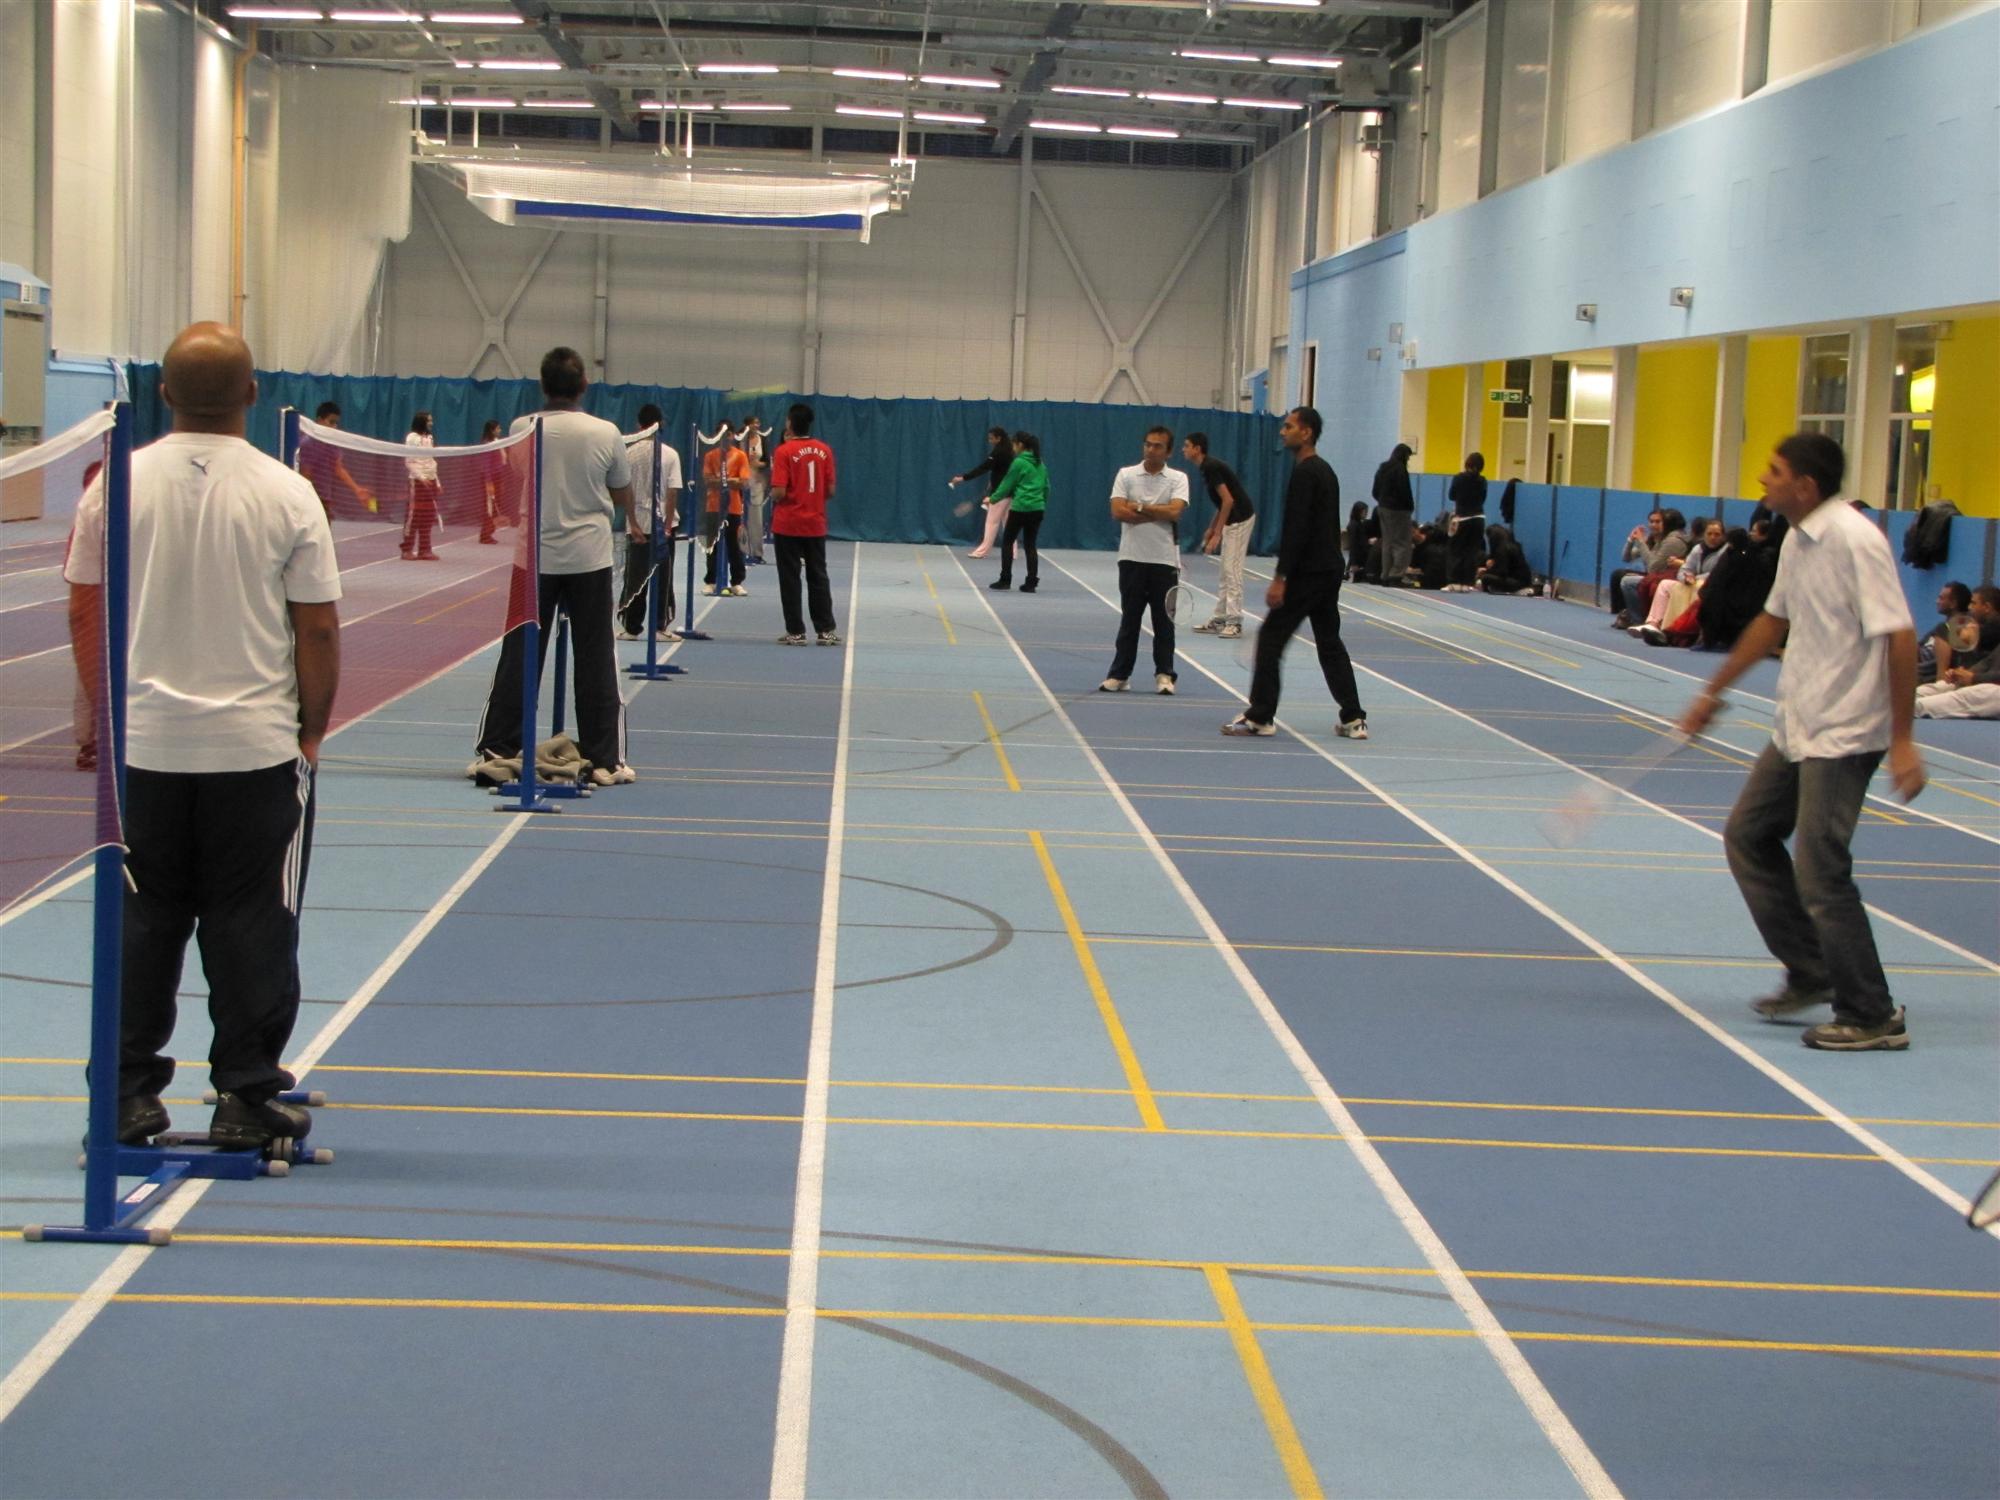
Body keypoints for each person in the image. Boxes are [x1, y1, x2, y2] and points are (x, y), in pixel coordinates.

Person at [63, 322, 341, 1147]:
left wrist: (109, 716)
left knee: (142, 922)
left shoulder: (112, 485)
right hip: (254, 751)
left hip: (143, 753)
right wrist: (313, 732)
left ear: (163, 392)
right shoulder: (289, 493)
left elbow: (84, 607)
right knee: (254, 921)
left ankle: (124, 1098)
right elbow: (317, 629)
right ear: (253, 395)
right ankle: (246, 1099)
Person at [1677, 433, 1922, 1052]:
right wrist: (1715, 691)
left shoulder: (1855, 540)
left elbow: (1898, 635)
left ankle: (1871, 1013)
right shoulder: (1796, 537)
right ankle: (1811, 970)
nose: (1763, 478)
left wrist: (1903, 739)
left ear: (1805, 487)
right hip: (1798, 725)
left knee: (1820, 869)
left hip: (1847, 732)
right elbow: (1772, 620)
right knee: (1750, 835)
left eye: (1774, 470)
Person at [472, 346, 636, 787]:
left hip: (533, 560)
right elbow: (622, 492)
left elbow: (516, 478)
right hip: (589, 558)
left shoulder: (521, 428)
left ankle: (498, 747)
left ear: (542, 385)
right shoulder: (606, 432)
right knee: (596, 655)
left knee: (519, 655)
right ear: (583, 385)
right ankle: (605, 759)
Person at [1222, 407, 1367, 740]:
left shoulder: (1306, 473)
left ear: (1307, 433)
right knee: (1329, 643)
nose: (1282, 431)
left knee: (1271, 638)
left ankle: (1260, 716)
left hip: (1309, 573)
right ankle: (1354, 718)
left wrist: (1280, 578)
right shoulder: (1326, 471)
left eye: (1289, 427)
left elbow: (1297, 529)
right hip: (1330, 570)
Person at [1100, 425, 1189, 695]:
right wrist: (1156, 512)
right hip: (1131, 559)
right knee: (1130, 620)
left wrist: (1138, 506)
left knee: (1164, 622)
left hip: (1165, 561)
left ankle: (1164, 675)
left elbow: (1175, 512)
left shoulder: (1178, 478)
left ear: (1169, 451)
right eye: (1148, 444)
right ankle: (1119, 675)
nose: (1151, 449)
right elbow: (1118, 511)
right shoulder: (1126, 474)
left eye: (1158, 446)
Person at [769, 402, 841, 646]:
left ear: (790, 423)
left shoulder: (784, 451)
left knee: (790, 578)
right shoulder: (825, 450)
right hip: (815, 523)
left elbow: (778, 491)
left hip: (788, 524)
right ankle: (825, 630)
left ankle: (796, 632)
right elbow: (830, 490)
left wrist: (776, 494)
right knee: (818, 576)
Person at [618, 403, 683, 641]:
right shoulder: (671, 454)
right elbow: (673, 492)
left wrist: (632, 523)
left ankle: (632, 627)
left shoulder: (628, 453)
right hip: (661, 528)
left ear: (639, 426)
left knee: (635, 578)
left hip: (637, 526)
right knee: (663, 577)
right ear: (660, 425)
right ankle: (660, 627)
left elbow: (624, 490)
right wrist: (667, 526)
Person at [1184, 431, 1256, 637]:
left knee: (1232, 570)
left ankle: (1235, 621)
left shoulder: (1210, 467)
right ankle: (1220, 618)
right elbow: (1222, 502)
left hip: (1241, 519)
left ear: (1197, 449)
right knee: (1225, 571)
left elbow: (1229, 500)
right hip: (1231, 520)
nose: (1184, 449)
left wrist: (1217, 534)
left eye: (1187, 445)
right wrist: (1212, 526)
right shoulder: (1207, 468)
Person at [1632, 517, 1728, 643]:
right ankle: (1653, 624)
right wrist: (1685, 577)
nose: (1713, 537)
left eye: (1717, 534)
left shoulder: (1725, 552)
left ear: (1722, 536)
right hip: (1691, 582)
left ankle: (1680, 631)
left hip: (1710, 586)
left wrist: (1695, 578)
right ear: (1704, 535)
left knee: (1698, 587)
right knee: (1665, 584)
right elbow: (1684, 568)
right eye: (1709, 534)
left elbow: (1716, 573)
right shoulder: (1698, 549)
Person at [988, 430, 1048, 594]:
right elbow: (1046, 487)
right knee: (1030, 545)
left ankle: (1005, 580)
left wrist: (992, 499)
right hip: (1037, 509)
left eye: (1014, 444)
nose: (1013, 448)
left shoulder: (1019, 463)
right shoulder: (1040, 464)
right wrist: (1041, 503)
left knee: (1007, 542)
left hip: (1020, 508)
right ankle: (1031, 583)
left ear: (1020, 445)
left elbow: (1007, 484)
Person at [1608, 508, 1688, 624]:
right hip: (1655, 574)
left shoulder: (1672, 541)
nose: (1654, 525)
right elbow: (1626, 557)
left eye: (1658, 522)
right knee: (1618, 575)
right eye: (1651, 522)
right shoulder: (1653, 539)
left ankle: (1637, 619)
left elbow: (1653, 567)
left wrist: (1641, 543)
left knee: (1628, 581)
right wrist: (1631, 540)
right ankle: (1626, 612)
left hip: (1663, 575)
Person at [299, 400, 375, 515]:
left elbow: (338, 467)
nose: (334, 426)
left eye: (336, 423)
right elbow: (305, 475)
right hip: (310, 499)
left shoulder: (332, 443)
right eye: (331, 422)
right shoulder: (308, 443)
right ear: (319, 420)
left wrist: (356, 489)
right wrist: (310, 500)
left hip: (325, 497)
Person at [953, 425, 1014, 559]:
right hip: (1010, 492)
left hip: (1000, 493)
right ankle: (1012, 552)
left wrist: (962, 478)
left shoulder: (998, 452)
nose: (990, 441)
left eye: (992, 438)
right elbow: (1001, 472)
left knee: (992, 522)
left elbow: (983, 468)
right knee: (1009, 523)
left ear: (999, 438)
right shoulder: (1010, 451)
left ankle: (982, 551)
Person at [702, 429, 750, 596]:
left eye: (728, 434)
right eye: (722, 434)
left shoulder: (740, 456)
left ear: (732, 436)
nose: (725, 437)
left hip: (733, 507)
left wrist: (723, 481)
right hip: (713, 507)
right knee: (712, 545)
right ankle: (711, 581)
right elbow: (708, 481)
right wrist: (731, 480)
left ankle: (736, 582)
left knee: (734, 546)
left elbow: (743, 482)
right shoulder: (710, 456)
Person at [1371, 442, 1416, 584]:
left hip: (1383, 507)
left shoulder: (1383, 467)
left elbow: (1375, 489)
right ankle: (1396, 574)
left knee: (1388, 542)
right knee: (1402, 542)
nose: (1408, 460)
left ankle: (1385, 573)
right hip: (1399, 510)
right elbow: (1404, 491)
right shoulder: (1400, 469)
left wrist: (1381, 501)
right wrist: (1410, 507)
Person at [401, 409, 441, 560]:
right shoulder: (412, 438)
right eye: (429, 420)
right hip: (416, 482)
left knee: (428, 516)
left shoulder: (430, 437)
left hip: (430, 481)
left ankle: (425, 549)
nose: (431, 423)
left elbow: (431, 460)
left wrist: (436, 481)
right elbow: (409, 461)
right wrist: (421, 477)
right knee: (413, 515)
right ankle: (407, 549)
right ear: (422, 421)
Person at [1444, 452, 1487, 589]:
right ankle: (1467, 583)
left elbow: (1451, 495)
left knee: (1457, 550)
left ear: (1467, 463)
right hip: (1479, 519)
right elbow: (1483, 498)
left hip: (1462, 518)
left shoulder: (1459, 478)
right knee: (1472, 552)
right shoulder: (1483, 481)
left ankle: (1455, 581)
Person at [1916, 581, 1971, 683]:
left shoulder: (1961, 628)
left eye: (1941, 598)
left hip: (1926, 676)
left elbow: (1936, 665)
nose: (1937, 601)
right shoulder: (1941, 626)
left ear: (1953, 604)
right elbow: (1918, 647)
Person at [741, 414, 769, 564]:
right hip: (741, 483)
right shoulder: (740, 438)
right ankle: (742, 551)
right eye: (753, 423)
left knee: (756, 519)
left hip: (757, 483)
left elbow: (767, 462)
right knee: (740, 520)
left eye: (758, 422)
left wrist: (759, 465)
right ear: (747, 425)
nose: (756, 425)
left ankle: (757, 553)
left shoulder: (762, 440)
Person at [476, 418, 509, 544]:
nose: (500, 430)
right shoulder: (487, 444)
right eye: (498, 428)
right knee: (489, 508)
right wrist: (488, 483)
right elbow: (486, 465)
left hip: (498, 478)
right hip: (489, 479)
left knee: (495, 508)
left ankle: (489, 532)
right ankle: (485, 535)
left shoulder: (497, 442)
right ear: (492, 430)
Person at [1475, 524, 1533, 594]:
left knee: (1485, 578)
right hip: (1523, 581)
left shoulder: (1502, 550)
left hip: (1517, 582)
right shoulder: (1512, 545)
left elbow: (1502, 572)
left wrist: (1486, 571)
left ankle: (1486, 593)